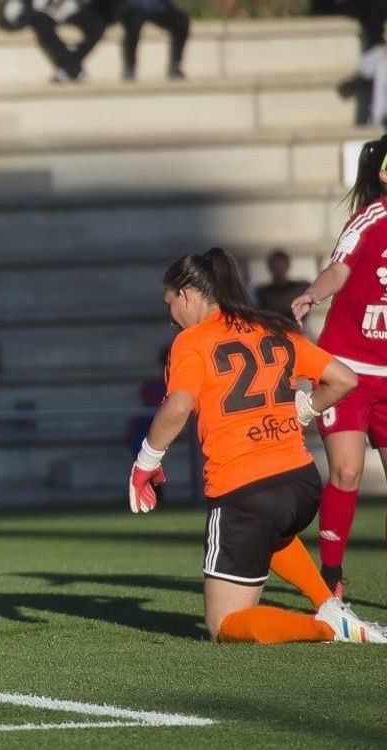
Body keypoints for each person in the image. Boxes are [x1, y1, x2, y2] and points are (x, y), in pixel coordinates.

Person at [130, 246, 385, 644]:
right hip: (301, 485)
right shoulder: (273, 327)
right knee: (273, 530)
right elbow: (345, 379)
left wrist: (146, 461)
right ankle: (328, 603)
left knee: (224, 626)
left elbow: (177, 406)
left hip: (244, 490)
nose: (170, 316)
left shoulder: (192, 341)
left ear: (187, 295)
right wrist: (303, 409)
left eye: (170, 304)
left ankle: (325, 627)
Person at [291, 134, 387, 599]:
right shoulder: (369, 219)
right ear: (384, 175)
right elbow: (340, 269)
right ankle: (331, 574)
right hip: (347, 369)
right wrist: (314, 292)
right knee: (346, 473)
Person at [0, 0, 108, 82]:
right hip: (38, 17)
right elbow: (11, 18)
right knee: (41, 23)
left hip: (64, 12)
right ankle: (72, 68)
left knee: (97, 26)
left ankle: (69, 65)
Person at [106, 0, 189, 81]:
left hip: (155, 4)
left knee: (181, 22)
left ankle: (175, 67)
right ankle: (129, 68)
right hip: (132, 5)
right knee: (133, 22)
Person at [254, 250, 310, 321]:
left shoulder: (301, 288)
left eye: (280, 264)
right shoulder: (262, 293)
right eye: (275, 265)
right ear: (269, 267)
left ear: (287, 265)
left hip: (298, 328)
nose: (278, 269)